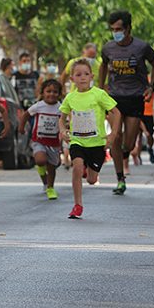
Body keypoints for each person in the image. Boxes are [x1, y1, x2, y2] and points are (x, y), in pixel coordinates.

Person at [99, 10, 154, 195]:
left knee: (129, 143)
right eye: (113, 29)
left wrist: (151, 86)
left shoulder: (141, 47)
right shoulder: (108, 48)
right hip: (114, 97)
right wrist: (101, 88)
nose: (115, 32)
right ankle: (120, 179)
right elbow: (103, 65)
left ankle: (124, 155)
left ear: (128, 28)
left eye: (119, 29)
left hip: (135, 97)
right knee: (116, 137)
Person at [59, 59, 121, 219]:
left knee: (92, 180)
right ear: (72, 79)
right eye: (78, 75)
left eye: (86, 74)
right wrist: (62, 130)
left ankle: (89, 168)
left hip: (97, 143)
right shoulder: (70, 97)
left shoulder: (99, 94)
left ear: (92, 76)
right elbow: (62, 117)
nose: (82, 77)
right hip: (77, 141)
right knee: (77, 167)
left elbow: (116, 113)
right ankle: (77, 205)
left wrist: (112, 134)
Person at [20, 79, 62, 200]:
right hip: (39, 140)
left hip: (53, 142)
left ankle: (50, 187)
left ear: (59, 94)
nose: (51, 94)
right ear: (42, 93)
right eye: (48, 91)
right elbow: (26, 115)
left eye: (55, 92)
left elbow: (65, 120)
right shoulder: (39, 106)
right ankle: (44, 179)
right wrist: (21, 127)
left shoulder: (60, 108)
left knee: (52, 167)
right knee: (40, 160)